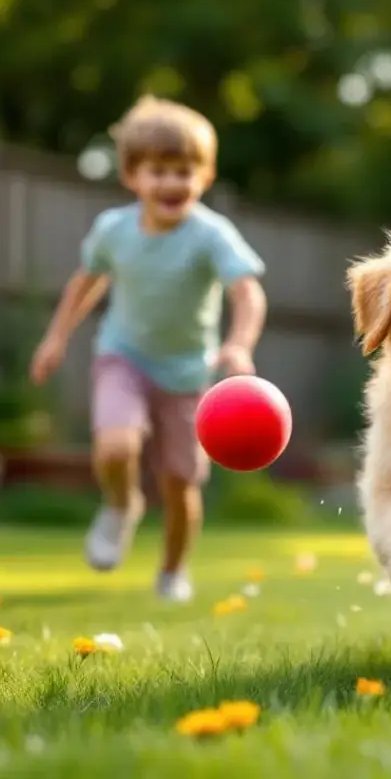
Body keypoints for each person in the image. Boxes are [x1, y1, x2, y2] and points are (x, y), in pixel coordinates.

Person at [29, 95, 267, 602]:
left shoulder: (211, 234)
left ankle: (173, 572)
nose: (172, 183)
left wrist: (239, 345)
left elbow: (247, 291)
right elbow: (85, 283)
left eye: (185, 171)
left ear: (204, 177)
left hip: (186, 374)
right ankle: (120, 505)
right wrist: (56, 337)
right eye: (159, 171)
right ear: (132, 176)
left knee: (181, 482)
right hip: (123, 356)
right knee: (116, 446)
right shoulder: (113, 230)